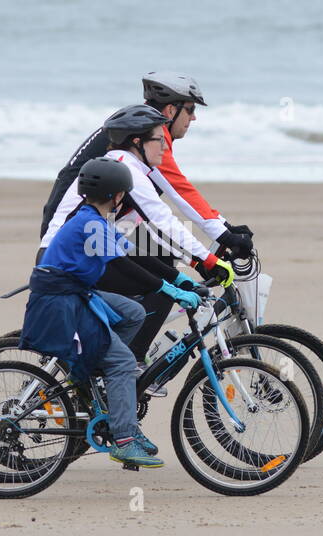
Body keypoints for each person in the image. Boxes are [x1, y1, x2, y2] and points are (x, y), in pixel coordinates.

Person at [20, 157, 204, 468]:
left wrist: (179, 278)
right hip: (61, 300)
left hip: (74, 292)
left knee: (132, 311)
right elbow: (122, 266)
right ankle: (124, 439)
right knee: (121, 362)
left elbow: (134, 254)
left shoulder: (92, 218)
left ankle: (97, 373)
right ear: (116, 195)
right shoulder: (90, 223)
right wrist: (168, 290)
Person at [39, 104, 233, 365]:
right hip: (71, 260)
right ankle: (131, 363)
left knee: (163, 275)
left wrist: (195, 262)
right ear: (138, 142)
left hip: (86, 252)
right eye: (158, 139)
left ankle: (116, 361)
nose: (165, 146)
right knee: (164, 289)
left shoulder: (125, 167)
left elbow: (142, 237)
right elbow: (164, 222)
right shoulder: (126, 170)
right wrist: (208, 261)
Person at [39, 72, 255, 255]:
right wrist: (223, 234)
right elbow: (179, 191)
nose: (194, 118)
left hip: (104, 225)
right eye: (191, 109)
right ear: (171, 110)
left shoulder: (139, 126)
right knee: (164, 258)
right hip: (71, 232)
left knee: (165, 254)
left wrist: (224, 226)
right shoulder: (146, 133)